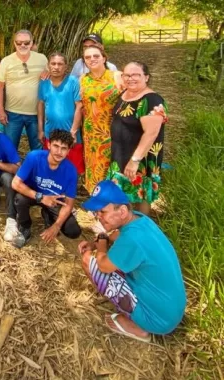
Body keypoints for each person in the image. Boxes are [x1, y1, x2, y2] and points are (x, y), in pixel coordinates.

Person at [78, 180, 186, 342]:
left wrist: (100, 241)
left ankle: (138, 326)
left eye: (102, 211)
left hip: (157, 320)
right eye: (97, 212)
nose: (98, 217)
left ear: (121, 211)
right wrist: (97, 242)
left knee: (88, 261)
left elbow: (103, 265)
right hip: (171, 310)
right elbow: (117, 235)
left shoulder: (132, 239)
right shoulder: (140, 220)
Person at [107, 62, 167, 215]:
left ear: (146, 77)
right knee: (122, 189)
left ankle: (140, 226)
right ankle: (123, 221)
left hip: (140, 156)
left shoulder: (152, 100)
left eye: (136, 75)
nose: (130, 78)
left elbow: (151, 133)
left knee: (143, 192)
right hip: (121, 152)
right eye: (127, 75)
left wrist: (135, 160)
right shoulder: (125, 94)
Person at [11, 129, 81, 248]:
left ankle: (47, 215)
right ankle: (25, 226)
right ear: (48, 145)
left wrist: (57, 226)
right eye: (56, 146)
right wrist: (41, 197)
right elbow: (15, 183)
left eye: (64, 148)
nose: (59, 152)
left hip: (54, 200)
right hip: (34, 194)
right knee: (19, 198)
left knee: (73, 231)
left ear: (69, 151)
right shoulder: (34, 157)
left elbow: (69, 203)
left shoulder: (71, 171)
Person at [0, 29, 48, 151]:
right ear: (14, 43)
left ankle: (36, 170)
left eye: (26, 42)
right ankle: (11, 170)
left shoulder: (42, 59)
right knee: (10, 149)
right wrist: (1, 111)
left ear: (31, 43)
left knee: (37, 149)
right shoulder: (6, 61)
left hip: (36, 113)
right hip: (12, 113)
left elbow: (52, 76)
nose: (22, 45)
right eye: (19, 43)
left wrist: (48, 72)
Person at [80, 43, 122, 194]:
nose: (92, 59)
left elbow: (135, 96)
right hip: (91, 132)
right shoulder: (82, 80)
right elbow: (78, 106)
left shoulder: (116, 76)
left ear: (104, 58)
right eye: (87, 57)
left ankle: (113, 202)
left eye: (96, 56)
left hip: (114, 130)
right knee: (93, 165)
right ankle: (97, 200)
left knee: (112, 166)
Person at [38, 52, 84, 175]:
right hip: (50, 132)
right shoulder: (44, 83)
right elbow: (41, 105)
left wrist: (73, 131)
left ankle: (69, 192)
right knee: (52, 167)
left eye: (60, 64)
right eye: (53, 64)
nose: (56, 67)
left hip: (70, 133)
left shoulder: (73, 81)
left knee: (72, 169)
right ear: (48, 65)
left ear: (66, 67)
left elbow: (79, 106)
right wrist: (40, 129)